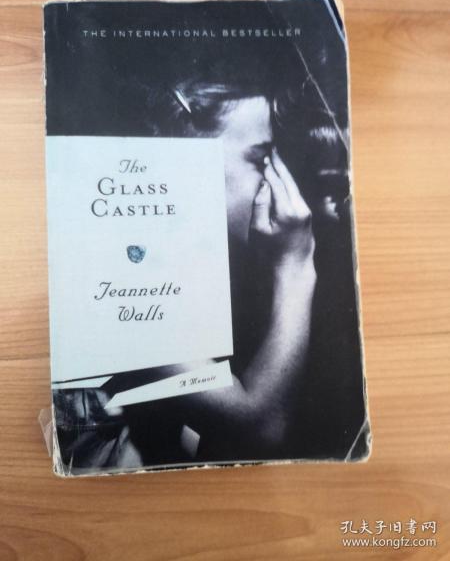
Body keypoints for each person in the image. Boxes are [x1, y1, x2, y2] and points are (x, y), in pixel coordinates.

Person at [53, 43, 362, 472]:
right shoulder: (126, 267)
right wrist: (295, 267)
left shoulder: (178, 262)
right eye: (261, 158)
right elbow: (260, 426)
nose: (278, 179)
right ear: (184, 160)